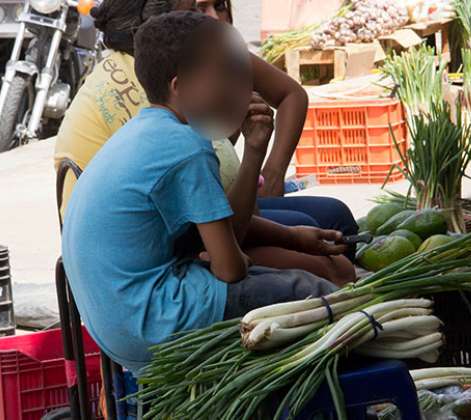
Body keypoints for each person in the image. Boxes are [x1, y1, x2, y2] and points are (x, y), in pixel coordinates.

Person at [62, 11, 338, 375]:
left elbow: (214, 235)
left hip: (117, 325)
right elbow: (229, 270)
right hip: (151, 322)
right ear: (180, 86)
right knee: (315, 292)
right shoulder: (186, 146)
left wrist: (287, 231)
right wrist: (240, 261)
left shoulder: (146, 130)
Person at [55, 0, 356, 283]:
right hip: (151, 265)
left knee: (326, 225)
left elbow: (222, 216)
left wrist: (285, 218)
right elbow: (229, 260)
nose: (211, 19)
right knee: (330, 268)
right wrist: (254, 155)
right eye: (196, 9)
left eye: (218, 6)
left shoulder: (165, 81)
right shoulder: (180, 136)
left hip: (164, 242)